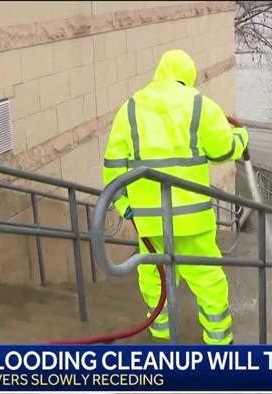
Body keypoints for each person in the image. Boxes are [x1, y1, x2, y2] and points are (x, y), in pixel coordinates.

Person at [102, 49, 248, 344]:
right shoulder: (199, 105)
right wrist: (242, 137)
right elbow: (222, 151)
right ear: (188, 76)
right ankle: (219, 344)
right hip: (193, 220)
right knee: (207, 281)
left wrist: (123, 204)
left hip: (149, 220)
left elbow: (113, 164)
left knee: (155, 279)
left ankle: (162, 338)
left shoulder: (130, 108)